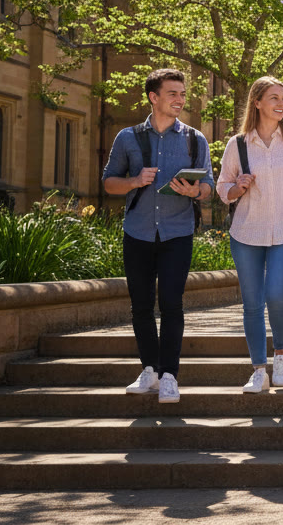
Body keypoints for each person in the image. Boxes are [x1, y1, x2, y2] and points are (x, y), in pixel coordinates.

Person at [102, 68, 214, 405]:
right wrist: (135, 181)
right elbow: (108, 182)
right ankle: (148, 369)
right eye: (173, 94)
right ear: (154, 97)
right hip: (137, 232)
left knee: (171, 303)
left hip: (177, 233)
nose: (180, 100)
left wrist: (195, 191)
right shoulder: (128, 137)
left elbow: (208, 188)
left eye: (182, 94)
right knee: (140, 306)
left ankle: (169, 376)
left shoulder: (196, 139)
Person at [216, 76, 283, 394]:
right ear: (257, 102)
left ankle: (281, 354)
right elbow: (222, 186)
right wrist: (235, 187)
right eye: (274, 97)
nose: (281, 103)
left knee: (277, 296)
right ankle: (258, 369)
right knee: (252, 304)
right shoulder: (238, 144)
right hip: (246, 233)